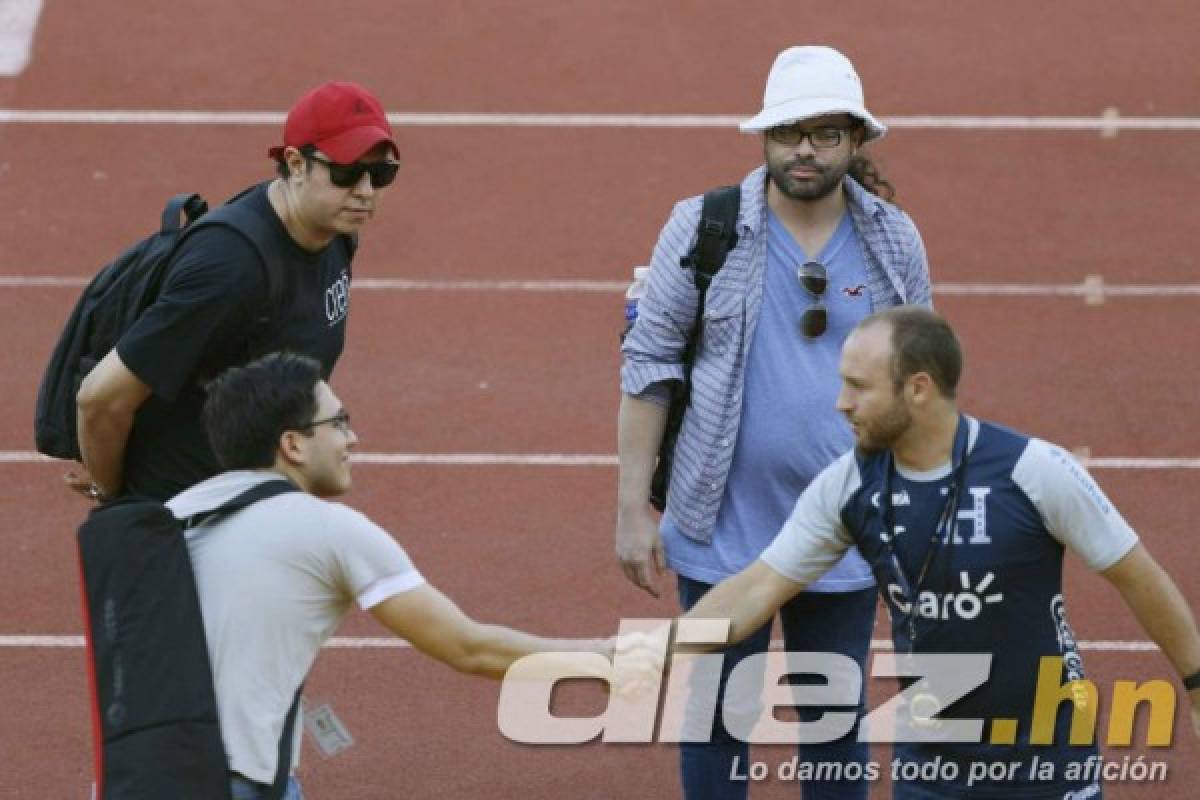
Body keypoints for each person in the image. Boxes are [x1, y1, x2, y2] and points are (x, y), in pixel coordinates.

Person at [662, 306, 1200, 799]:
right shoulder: (847, 485)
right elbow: (758, 587)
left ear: (917, 389)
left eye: (858, 386)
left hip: (1046, 761)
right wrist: (655, 651)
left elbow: (1138, 577)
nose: (840, 403)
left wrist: (1196, 683)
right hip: (931, 768)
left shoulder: (1033, 471)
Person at [617, 45, 931, 798]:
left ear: (856, 142)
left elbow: (922, 386)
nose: (805, 150)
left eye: (826, 134)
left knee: (835, 721)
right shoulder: (702, 228)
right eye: (791, 131)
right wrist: (632, 507)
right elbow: (649, 363)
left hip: (846, 530)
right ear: (764, 136)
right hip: (720, 523)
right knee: (721, 717)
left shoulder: (895, 241)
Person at [172, 352, 617, 799]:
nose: (354, 438)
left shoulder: (176, 513)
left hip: (140, 770)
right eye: (339, 422)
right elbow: (468, 648)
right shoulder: (326, 528)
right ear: (294, 445)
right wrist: (604, 658)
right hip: (237, 780)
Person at [73, 80, 401, 503]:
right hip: (191, 515)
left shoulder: (333, 230)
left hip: (256, 497)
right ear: (295, 163)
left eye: (381, 174)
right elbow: (101, 397)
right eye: (346, 173)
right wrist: (114, 495)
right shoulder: (231, 267)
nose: (365, 192)